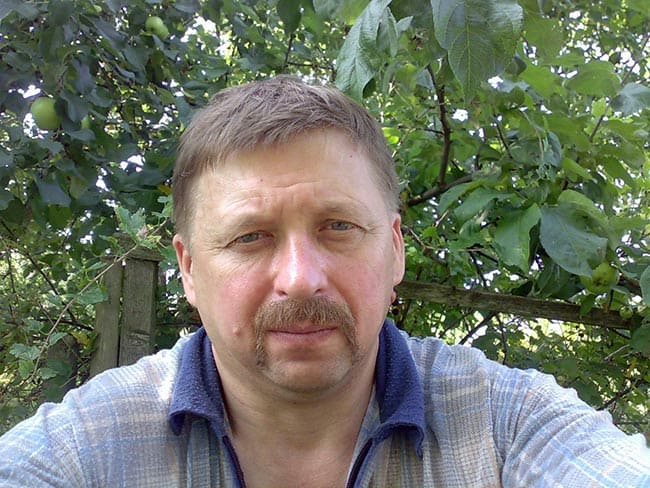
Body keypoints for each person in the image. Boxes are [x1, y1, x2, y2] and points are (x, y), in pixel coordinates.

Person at [0, 76, 648, 487]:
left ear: (395, 251)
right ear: (190, 270)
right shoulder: (86, 446)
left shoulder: (508, 425)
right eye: (250, 237)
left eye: (338, 226)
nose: (301, 279)